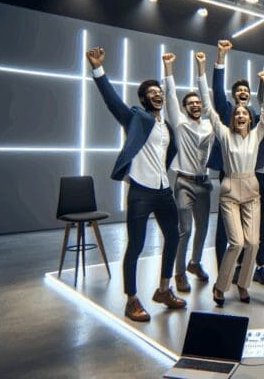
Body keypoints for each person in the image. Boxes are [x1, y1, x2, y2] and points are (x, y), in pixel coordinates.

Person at [86, 47, 185, 322]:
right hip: (141, 192)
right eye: (151, 93)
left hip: (164, 190)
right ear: (144, 100)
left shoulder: (166, 127)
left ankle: (164, 290)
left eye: (159, 92)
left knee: (174, 237)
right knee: (136, 246)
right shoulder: (135, 118)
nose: (157, 94)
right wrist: (98, 70)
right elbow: (111, 101)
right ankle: (132, 300)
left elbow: (166, 155)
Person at [212, 41, 264, 287]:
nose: (242, 92)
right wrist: (220, 59)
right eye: (238, 89)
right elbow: (217, 94)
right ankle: (225, 271)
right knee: (226, 228)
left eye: (245, 90)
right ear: (233, 95)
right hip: (230, 176)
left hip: (257, 175)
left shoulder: (255, 117)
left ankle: (257, 268)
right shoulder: (228, 111)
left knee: (258, 230)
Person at [161, 51, 213, 293]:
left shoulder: (209, 124)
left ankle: (195, 263)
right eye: (190, 103)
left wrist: (201, 67)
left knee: (203, 227)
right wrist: (168, 68)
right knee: (186, 229)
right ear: (183, 108)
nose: (195, 104)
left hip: (204, 183)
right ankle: (179, 274)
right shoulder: (179, 123)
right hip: (184, 183)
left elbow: (207, 97)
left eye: (197, 103)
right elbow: (170, 94)